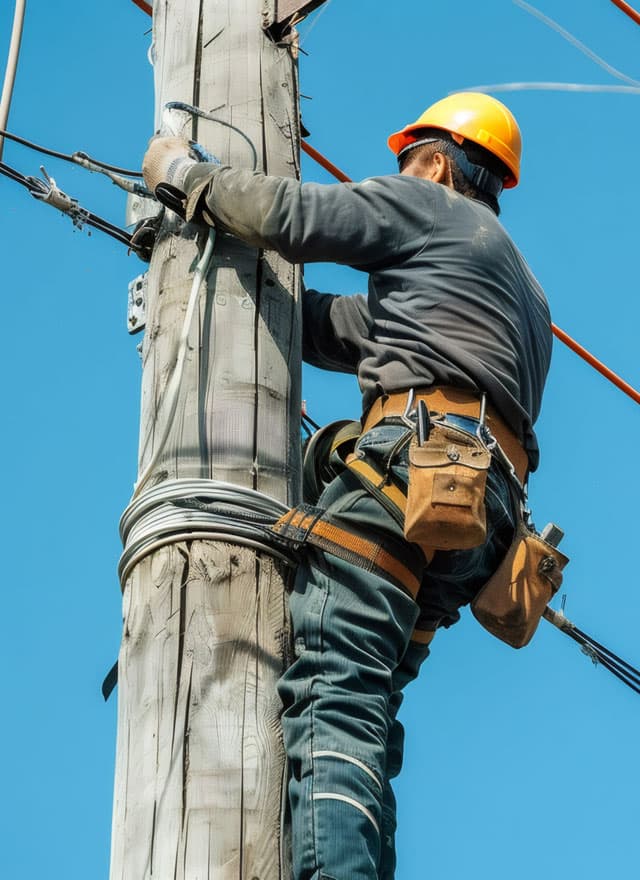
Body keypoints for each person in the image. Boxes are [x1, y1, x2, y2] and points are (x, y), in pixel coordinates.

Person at [143, 91, 553, 880]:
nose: (397, 173)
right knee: (365, 711)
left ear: (437, 162)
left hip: (418, 474)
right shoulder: (516, 285)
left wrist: (189, 177)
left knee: (336, 695)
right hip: (481, 521)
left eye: (409, 160)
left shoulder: (425, 204)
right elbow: (347, 329)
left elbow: (294, 216)